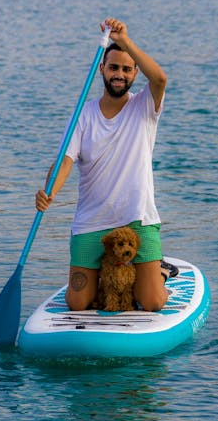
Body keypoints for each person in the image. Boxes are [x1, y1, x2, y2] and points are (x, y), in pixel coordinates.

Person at [35, 17, 168, 312]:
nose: (119, 74)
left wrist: (124, 42)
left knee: (153, 302)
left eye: (126, 68)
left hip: (137, 218)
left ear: (134, 73)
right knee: (78, 302)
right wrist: (49, 192)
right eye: (113, 67)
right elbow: (65, 162)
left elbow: (159, 79)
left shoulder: (144, 106)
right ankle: (113, 278)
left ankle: (158, 273)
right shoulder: (83, 114)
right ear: (102, 70)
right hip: (92, 222)